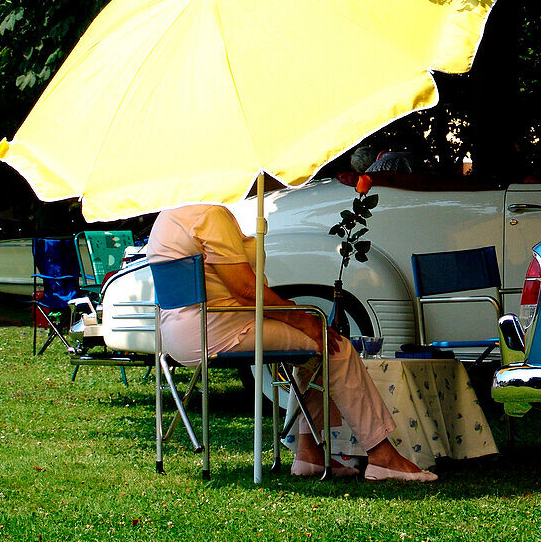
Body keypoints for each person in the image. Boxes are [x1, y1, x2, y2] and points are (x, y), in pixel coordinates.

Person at [146, 203, 436, 482]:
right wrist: (299, 317)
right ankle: (382, 456)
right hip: (219, 326)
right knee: (335, 346)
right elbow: (246, 289)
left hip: (174, 335)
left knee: (313, 352)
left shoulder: (167, 218)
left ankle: (309, 454)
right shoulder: (209, 215)